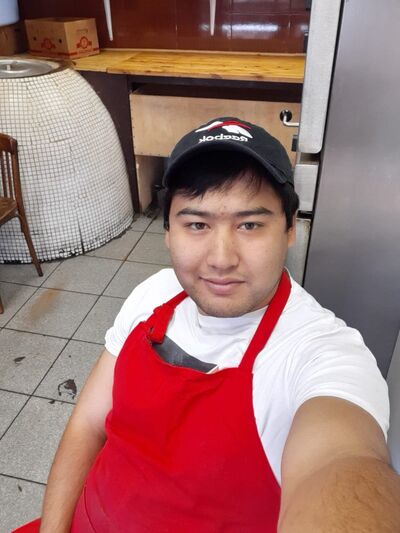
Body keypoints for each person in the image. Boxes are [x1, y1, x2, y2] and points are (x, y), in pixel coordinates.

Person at [14, 117, 400, 532]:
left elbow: (344, 462)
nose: (221, 259)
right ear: (168, 232)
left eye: (249, 225)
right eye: (197, 224)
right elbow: (88, 425)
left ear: (290, 228)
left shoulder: (320, 354)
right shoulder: (152, 294)